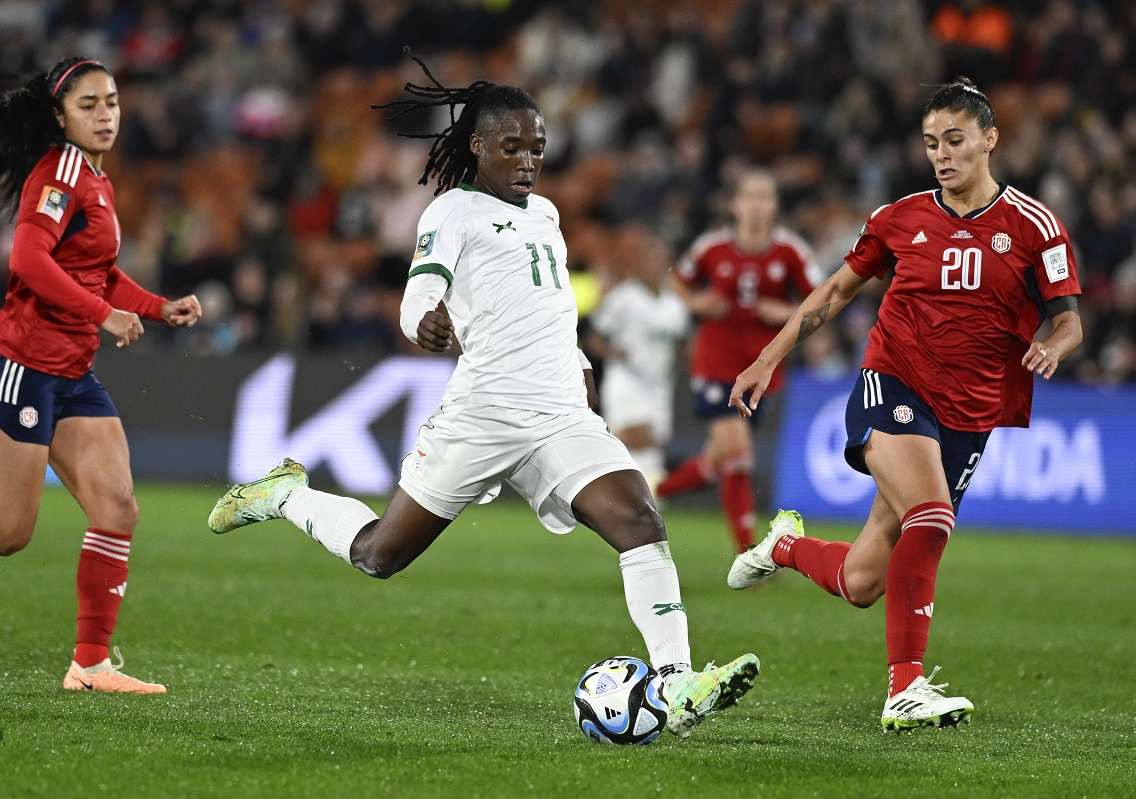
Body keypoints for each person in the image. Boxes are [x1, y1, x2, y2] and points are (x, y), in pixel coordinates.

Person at [208, 55, 758, 739]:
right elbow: (419, 293)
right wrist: (424, 322)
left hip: (558, 410)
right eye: (512, 146)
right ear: (477, 146)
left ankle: (676, 685)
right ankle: (288, 494)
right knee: (382, 554)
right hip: (484, 412)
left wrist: (581, 359)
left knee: (640, 518)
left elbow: (552, 301)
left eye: (537, 147)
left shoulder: (548, 214)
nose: (528, 160)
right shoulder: (453, 211)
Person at [725, 78, 1083, 731]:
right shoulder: (900, 219)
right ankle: (905, 688)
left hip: (970, 415)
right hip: (894, 381)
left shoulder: (1035, 226)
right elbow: (834, 292)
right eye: (930, 143)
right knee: (932, 513)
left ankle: (783, 547)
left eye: (954, 140)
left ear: (989, 139)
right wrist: (768, 357)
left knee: (864, 580)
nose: (942, 155)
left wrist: (1052, 345)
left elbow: (1069, 320)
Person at [0, 57, 202, 693]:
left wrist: (154, 307)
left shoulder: (97, 180)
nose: (105, 113)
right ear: (60, 116)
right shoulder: (58, 173)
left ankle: (90, 664)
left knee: (116, 507)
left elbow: (97, 271)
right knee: (4, 534)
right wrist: (104, 315)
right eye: (88, 104)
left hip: (73, 374)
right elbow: (28, 258)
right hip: (22, 370)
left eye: (111, 100)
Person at [658, 171, 818, 552]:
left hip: (762, 369)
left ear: (774, 206)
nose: (757, 205)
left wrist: (784, 311)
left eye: (765, 197)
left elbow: (820, 302)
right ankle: (748, 553)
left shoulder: (791, 252)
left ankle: (654, 490)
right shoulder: (711, 248)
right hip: (715, 363)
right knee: (739, 456)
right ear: (734, 205)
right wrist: (697, 303)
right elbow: (678, 280)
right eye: (749, 197)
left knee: (718, 461)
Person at [587, 225, 690, 491]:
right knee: (637, 435)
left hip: (659, 383)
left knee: (649, 442)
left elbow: (682, 342)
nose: (655, 265)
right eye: (650, 258)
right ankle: (646, 491)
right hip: (627, 379)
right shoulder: (624, 298)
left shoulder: (675, 305)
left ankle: (639, 492)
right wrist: (614, 352)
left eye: (660, 259)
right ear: (640, 263)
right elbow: (594, 338)